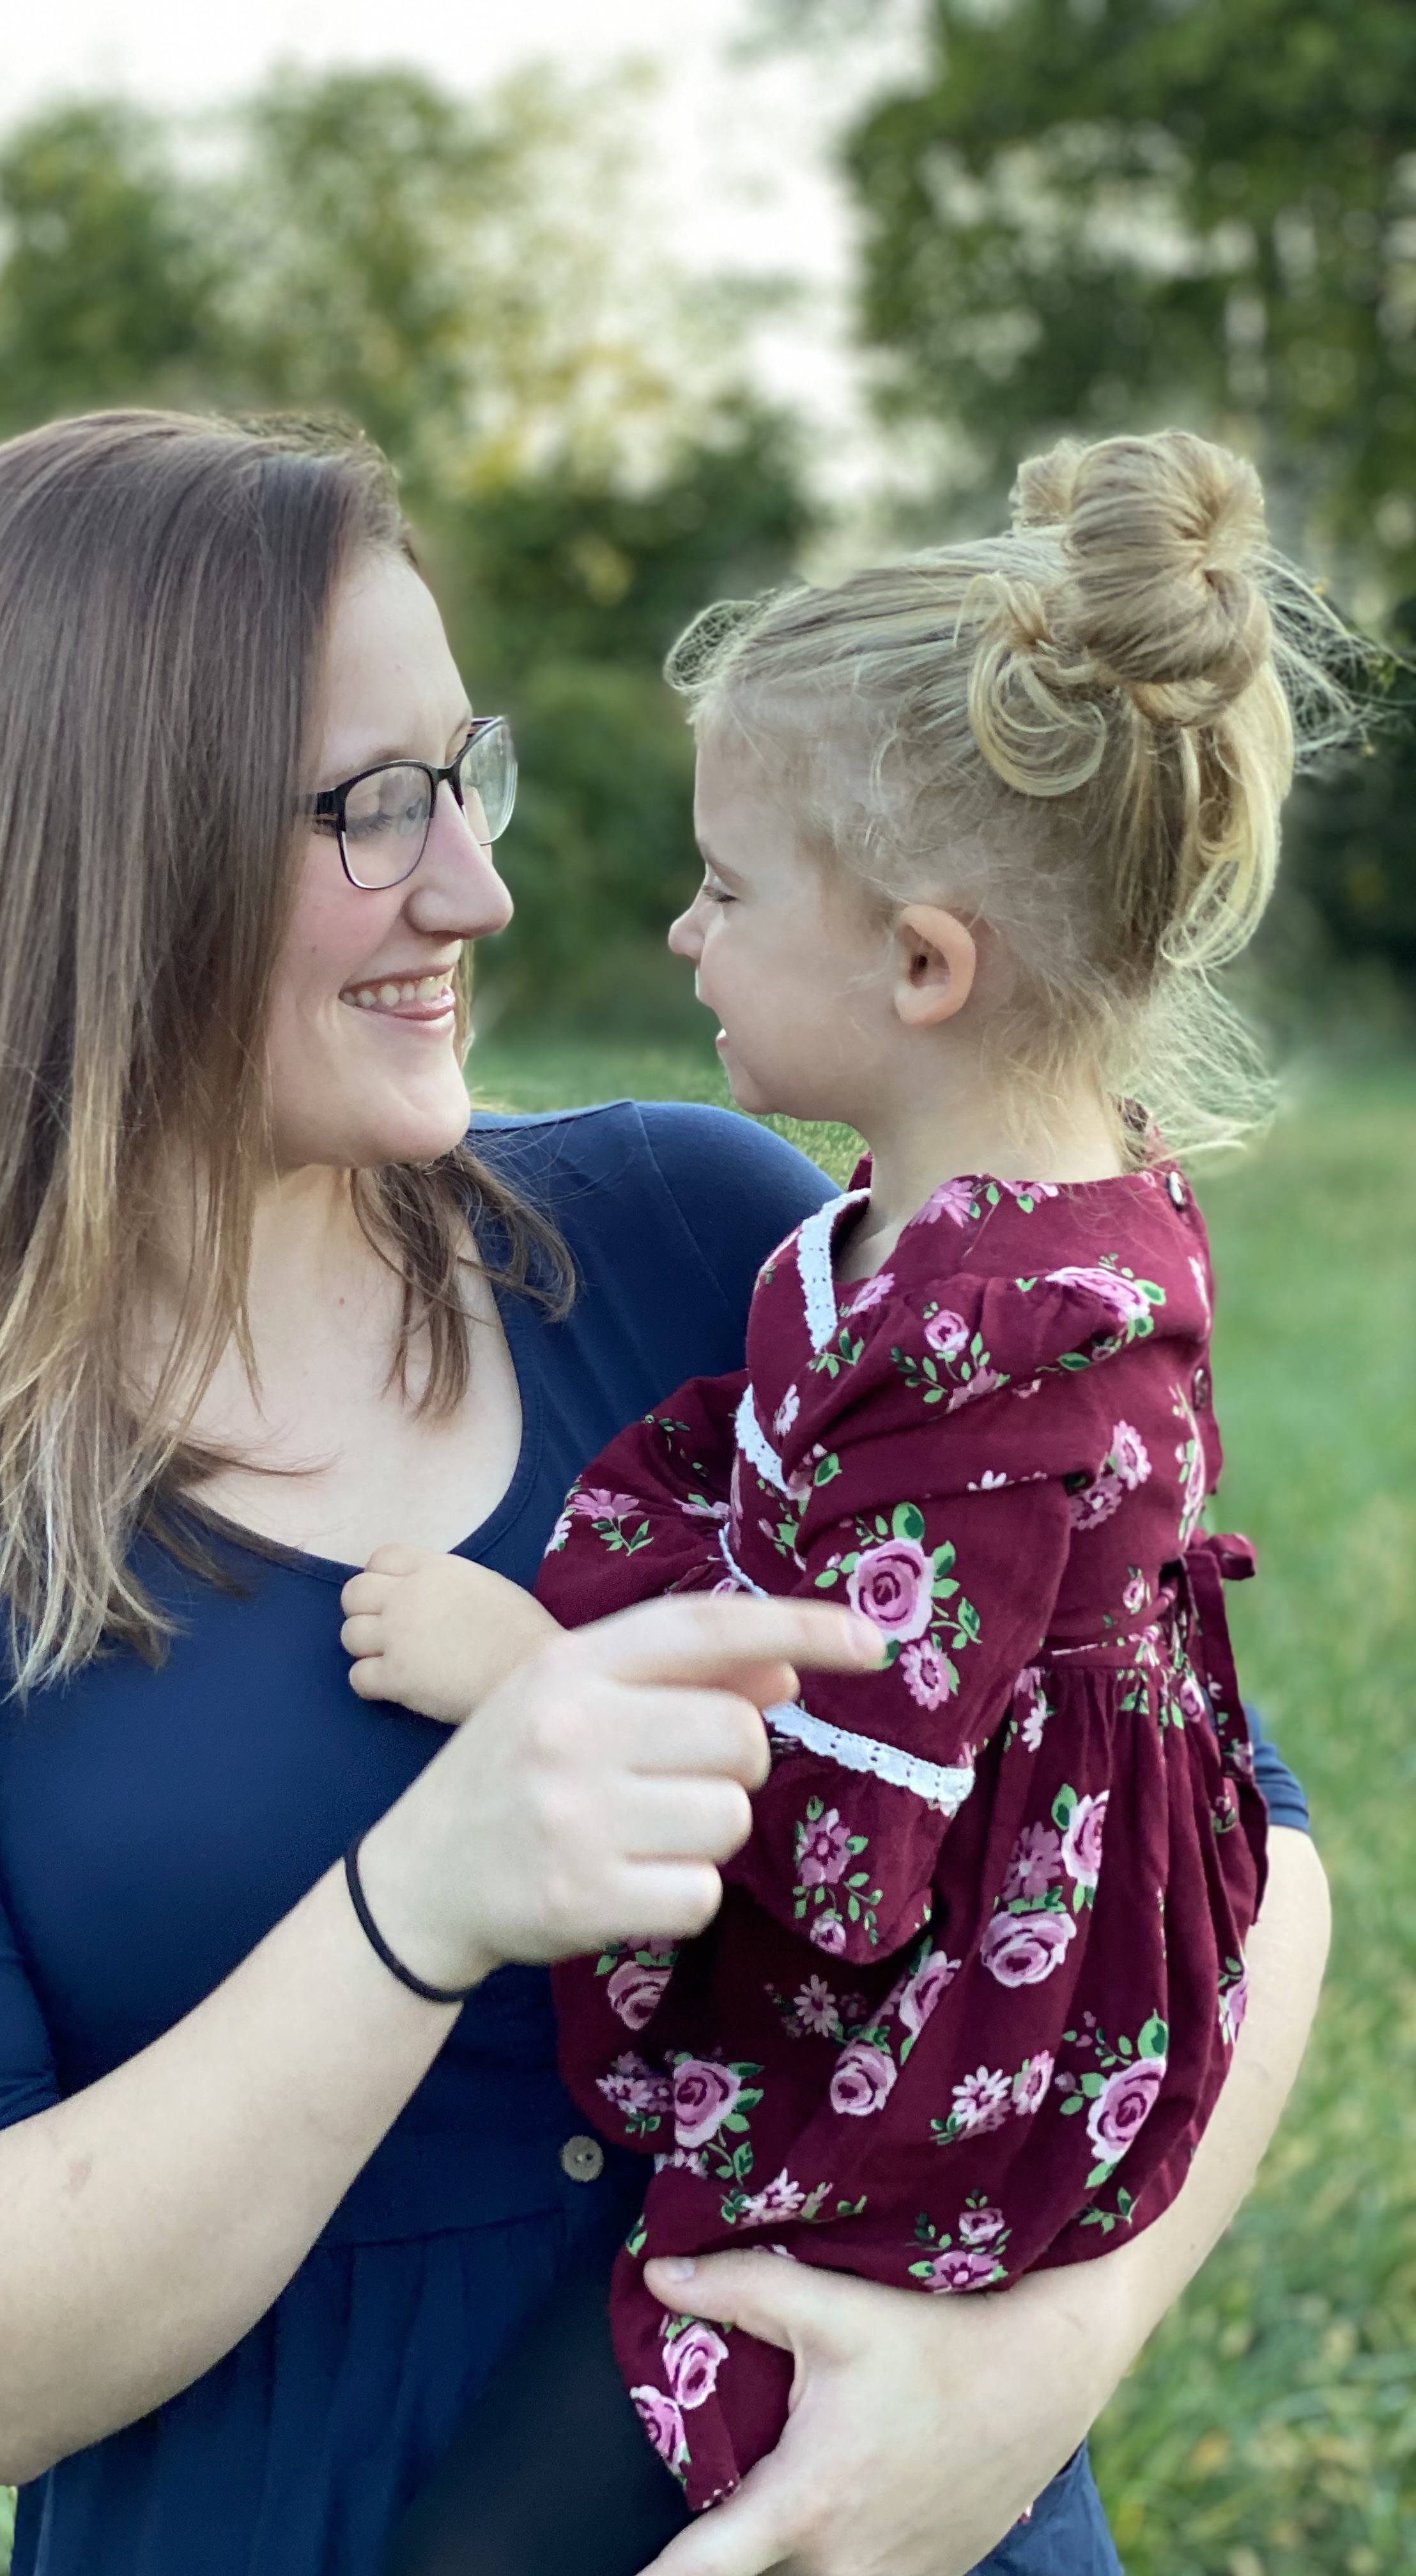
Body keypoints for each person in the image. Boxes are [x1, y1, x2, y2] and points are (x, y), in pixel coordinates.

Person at [0, 410, 1330, 2576]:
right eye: (372, 809)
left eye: (465, 773)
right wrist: (427, 1898)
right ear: (85, 853)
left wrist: (1038, 2365)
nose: (479, 888)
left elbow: (1227, 1844)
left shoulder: (722, 1241)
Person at [344, 429, 1348, 2572]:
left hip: (940, 2068)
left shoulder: (1021, 1353)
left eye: (725, 888)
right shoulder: (946, 1233)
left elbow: (849, 1855)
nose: (675, 927)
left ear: (921, 967)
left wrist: (533, 1672)